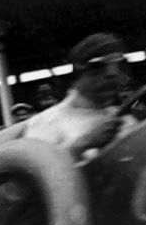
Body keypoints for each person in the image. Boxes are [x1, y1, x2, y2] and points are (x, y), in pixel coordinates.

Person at [21, 32, 135, 162]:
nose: (112, 74)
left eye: (118, 65)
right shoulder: (46, 122)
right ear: (79, 73)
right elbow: (36, 172)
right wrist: (83, 144)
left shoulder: (125, 119)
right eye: (97, 68)